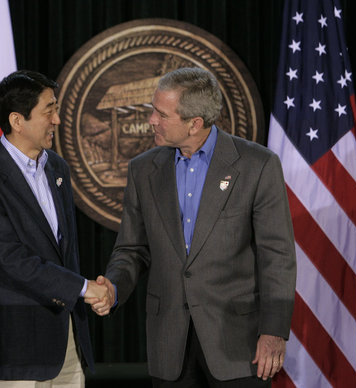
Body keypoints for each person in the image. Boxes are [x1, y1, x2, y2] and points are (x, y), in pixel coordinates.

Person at [93, 67, 296, 387]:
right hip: (169, 344)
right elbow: (132, 248)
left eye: (161, 114)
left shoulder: (257, 164)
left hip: (237, 345)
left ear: (194, 123)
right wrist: (114, 287)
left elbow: (277, 256)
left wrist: (273, 331)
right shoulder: (143, 169)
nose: (152, 121)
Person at [0, 70, 110, 387]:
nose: (57, 120)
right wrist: (84, 289)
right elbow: (9, 260)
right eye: (49, 110)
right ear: (17, 120)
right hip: (17, 347)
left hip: (67, 342)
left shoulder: (57, 167)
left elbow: (63, 252)